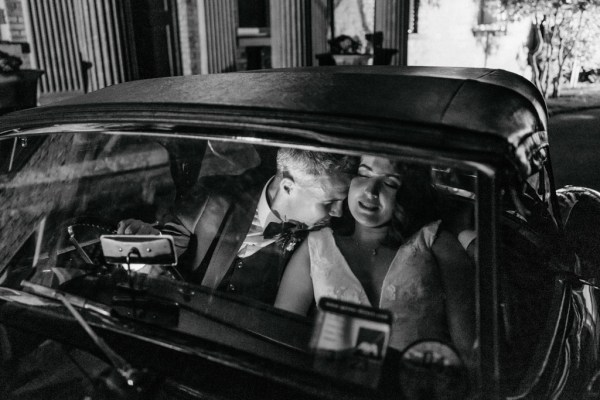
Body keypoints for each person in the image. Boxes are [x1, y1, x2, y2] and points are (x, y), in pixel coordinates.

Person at [274, 156, 475, 359]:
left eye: (389, 183)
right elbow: (281, 336)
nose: (370, 191)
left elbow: (469, 347)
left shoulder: (435, 243)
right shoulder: (315, 247)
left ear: (408, 193)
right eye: (363, 174)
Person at [118, 147, 358, 305]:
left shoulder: (327, 237)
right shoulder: (214, 196)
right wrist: (141, 244)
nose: (337, 212)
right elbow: (170, 242)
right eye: (329, 202)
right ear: (287, 187)